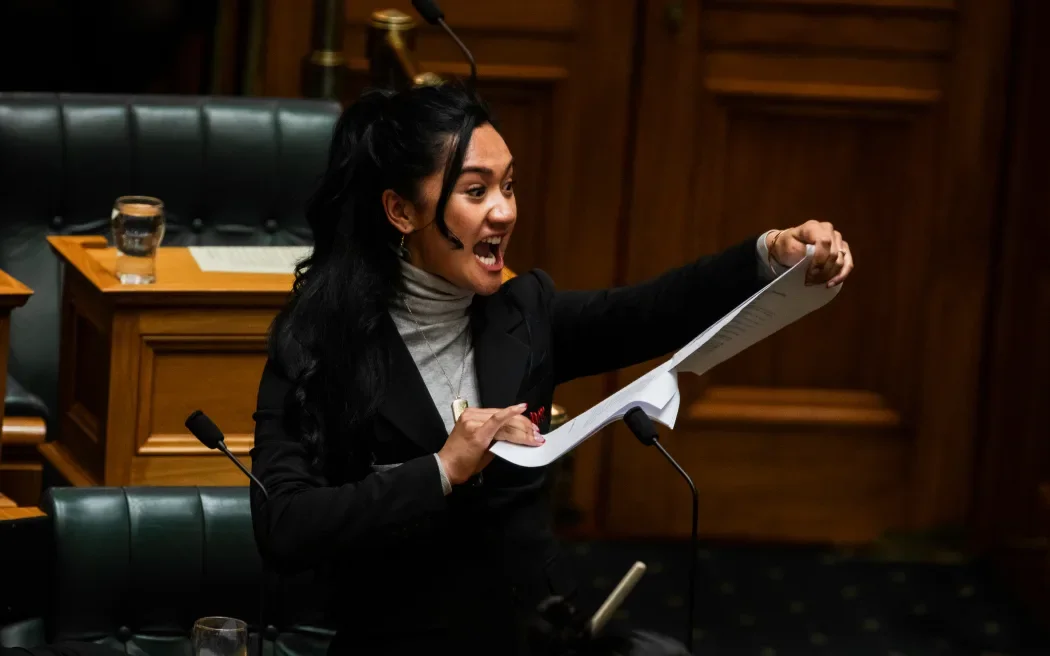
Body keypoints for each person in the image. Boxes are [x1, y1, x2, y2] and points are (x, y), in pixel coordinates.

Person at [250, 82, 854, 655]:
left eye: (509, 186)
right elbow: (284, 524)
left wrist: (769, 255)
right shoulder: (320, 343)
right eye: (476, 191)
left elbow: (653, 310)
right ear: (401, 211)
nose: (504, 212)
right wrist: (441, 469)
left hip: (534, 637)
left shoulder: (523, 312)